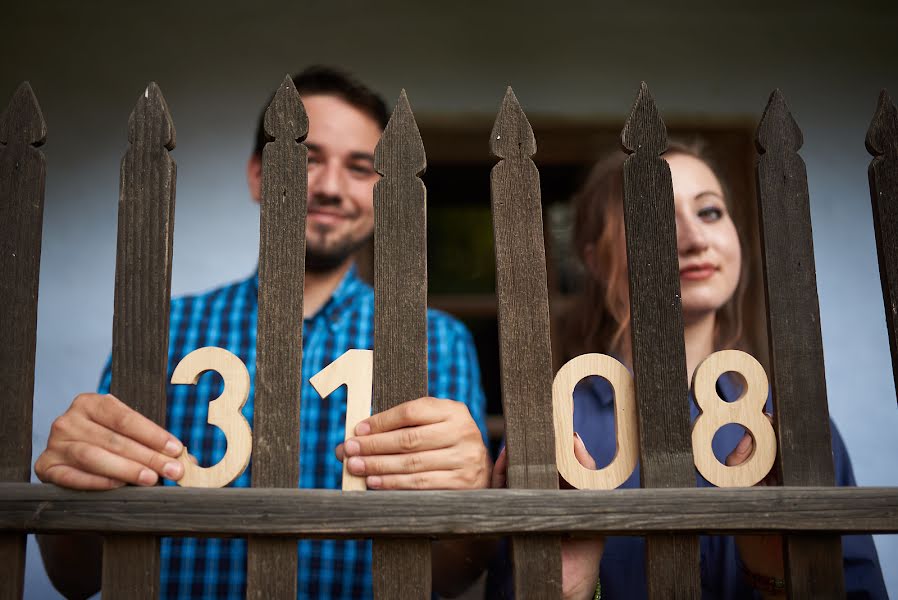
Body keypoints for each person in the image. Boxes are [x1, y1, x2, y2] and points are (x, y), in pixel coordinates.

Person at [34, 66, 491, 600]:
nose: (328, 187)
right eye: (307, 158)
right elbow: (78, 578)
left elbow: (453, 578)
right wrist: (70, 494)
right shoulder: (163, 329)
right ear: (257, 175)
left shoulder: (441, 341)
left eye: (360, 167)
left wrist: (474, 497)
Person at [488, 141, 887, 599]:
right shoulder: (555, 425)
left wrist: (777, 576)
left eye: (711, 212)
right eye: (654, 213)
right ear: (596, 259)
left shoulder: (796, 425)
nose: (696, 239)